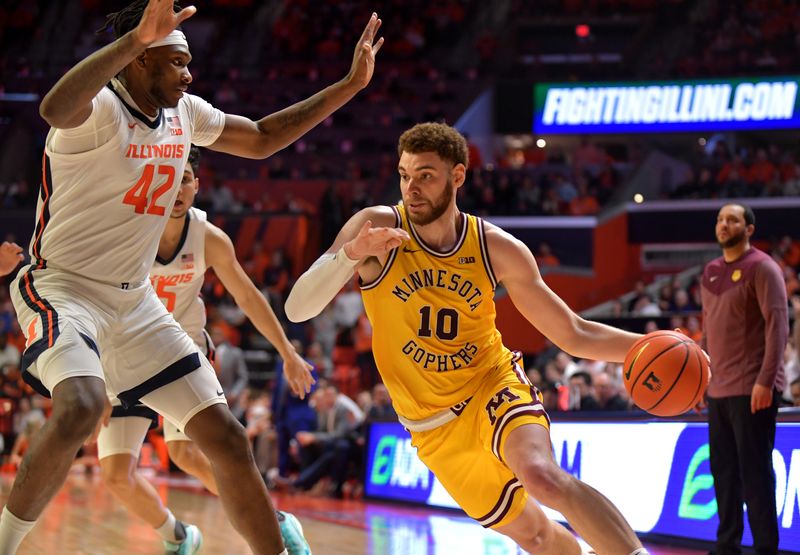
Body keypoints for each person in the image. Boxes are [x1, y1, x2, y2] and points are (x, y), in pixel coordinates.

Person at [0, 1, 383, 553]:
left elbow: (261, 137)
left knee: (226, 438)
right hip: (64, 288)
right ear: (139, 63)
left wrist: (348, 86)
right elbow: (54, 107)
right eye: (176, 62)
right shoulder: (100, 111)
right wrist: (132, 40)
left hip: (135, 304)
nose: (189, 73)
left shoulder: (186, 115)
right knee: (82, 406)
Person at [285, 122, 650, 555]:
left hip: (491, 385)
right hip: (431, 428)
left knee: (542, 476)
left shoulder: (494, 246)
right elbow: (298, 309)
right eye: (404, 175)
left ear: (457, 176)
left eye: (425, 175)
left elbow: (573, 332)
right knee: (536, 537)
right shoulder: (377, 229)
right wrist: (349, 254)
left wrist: (652, 344)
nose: (411, 187)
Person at [94, 147, 313, 553]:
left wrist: (286, 351)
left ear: (197, 186)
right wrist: (93, 373)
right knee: (115, 474)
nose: (177, 189)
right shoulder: (129, 231)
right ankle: (178, 537)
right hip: (122, 355)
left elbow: (247, 296)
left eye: (186, 180)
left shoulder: (209, 238)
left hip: (179, 353)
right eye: (170, 179)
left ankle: (277, 524)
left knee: (189, 453)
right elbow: (98, 302)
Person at [700, 203, 787, 555]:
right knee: (723, 474)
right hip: (718, 389)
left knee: (755, 475)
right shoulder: (710, 271)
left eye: (733, 219)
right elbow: (707, 330)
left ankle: (766, 547)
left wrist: (766, 380)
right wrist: (700, 378)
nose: (724, 225)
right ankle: (727, 544)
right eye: (721, 219)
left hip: (753, 387)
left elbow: (778, 326)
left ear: (748, 229)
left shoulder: (764, 268)